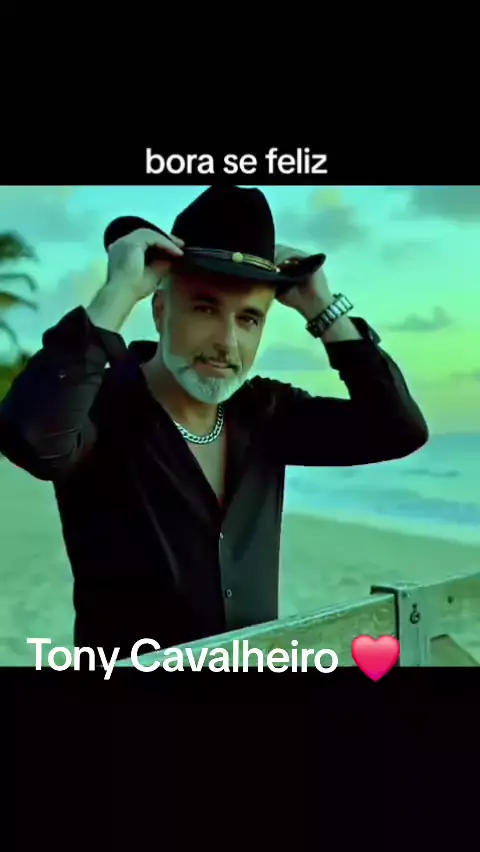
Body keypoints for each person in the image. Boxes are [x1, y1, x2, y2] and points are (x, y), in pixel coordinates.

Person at [0, 186, 429, 661]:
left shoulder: (267, 413)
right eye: (205, 308)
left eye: (249, 319)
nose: (227, 341)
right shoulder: (100, 407)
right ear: (160, 309)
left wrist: (322, 309)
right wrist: (117, 292)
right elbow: (31, 439)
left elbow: (397, 428)